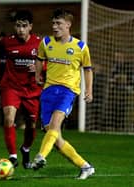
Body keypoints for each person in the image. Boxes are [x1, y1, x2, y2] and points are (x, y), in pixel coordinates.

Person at [32, 9, 95, 180]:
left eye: (58, 23)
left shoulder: (80, 47)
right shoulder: (46, 43)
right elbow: (39, 59)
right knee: (55, 138)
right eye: (53, 23)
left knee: (54, 125)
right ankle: (85, 166)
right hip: (48, 91)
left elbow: (88, 69)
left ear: (68, 25)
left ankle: (40, 156)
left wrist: (89, 89)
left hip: (68, 91)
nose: (54, 26)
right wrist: (37, 74)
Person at [0, 10, 43, 169]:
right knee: (8, 117)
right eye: (18, 26)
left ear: (30, 27)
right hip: (11, 86)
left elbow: (47, 61)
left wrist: (38, 67)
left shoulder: (40, 43)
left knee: (32, 124)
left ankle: (25, 149)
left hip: (32, 89)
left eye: (24, 26)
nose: (20, 29)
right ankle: (13, 156)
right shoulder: (6, 42)